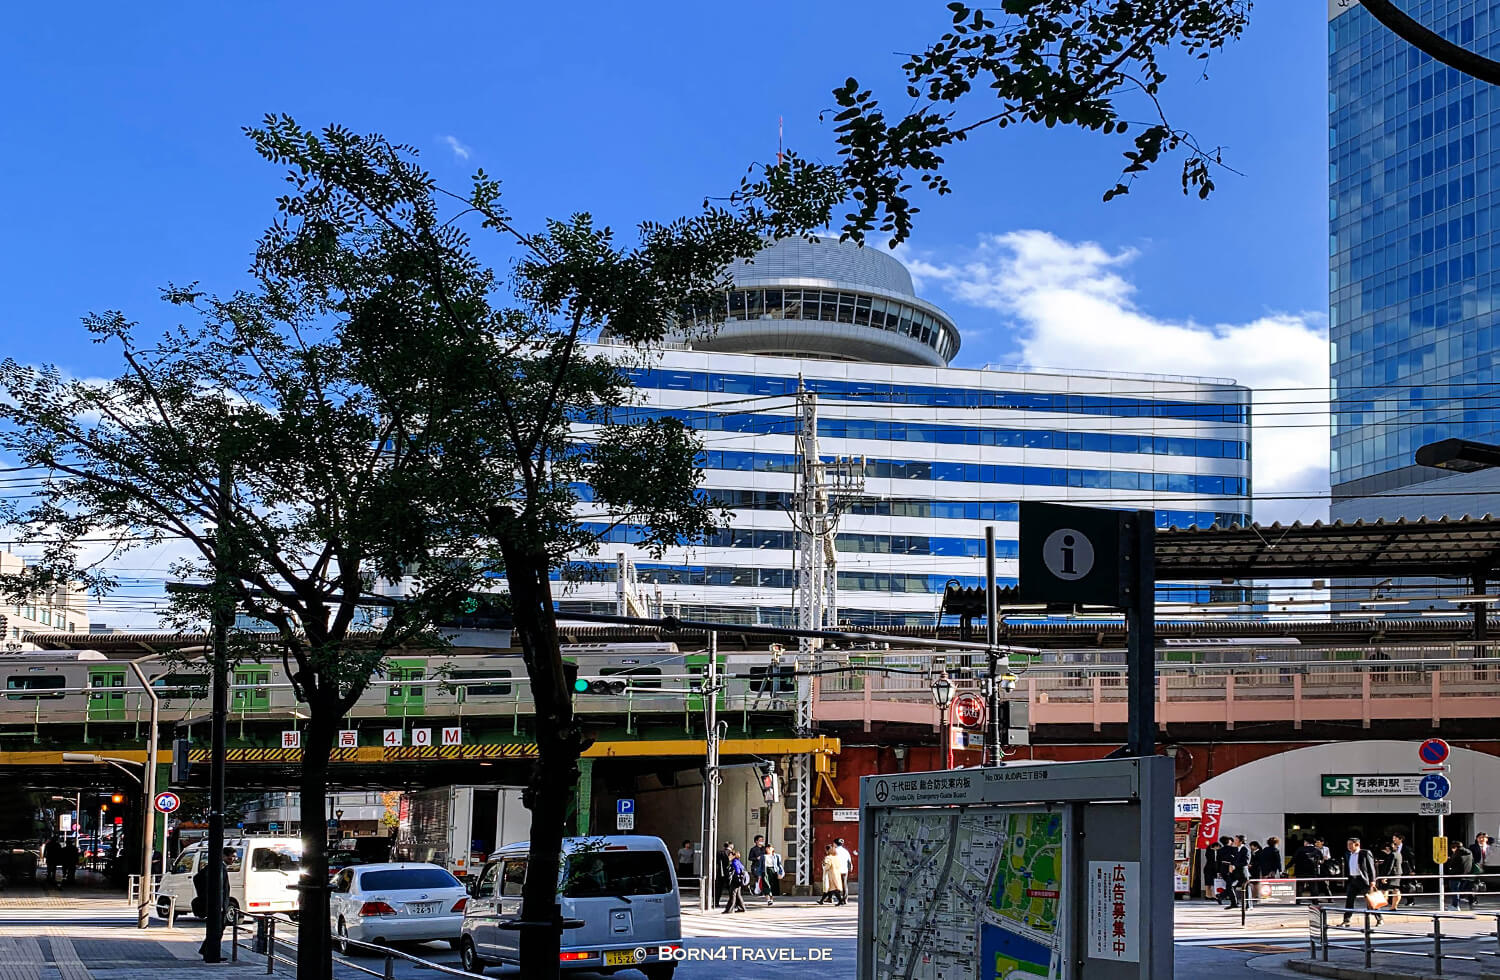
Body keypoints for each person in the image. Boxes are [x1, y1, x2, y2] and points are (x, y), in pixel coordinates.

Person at [1339, 837, 1380, 927]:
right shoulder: (1348, 854)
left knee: (1370, 900)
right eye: (1348, 844)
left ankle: (1379, 918)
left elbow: (1371, 867)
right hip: (1353, 879)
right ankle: (1347, 920)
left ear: (1357, 844)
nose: (1348, 846)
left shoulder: (1364, 853)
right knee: (1349, 900)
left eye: (1350, 844)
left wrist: (1372, 880)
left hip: (1363, 880)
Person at [1221, 836, 1250, 910]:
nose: (1234, 841)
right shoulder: (1236, 849)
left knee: (1246, 888)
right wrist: (1231, 865)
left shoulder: (1246, 850)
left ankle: (1249, 905)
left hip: (1243, 872)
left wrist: (1235, 866)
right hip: (1234, 872)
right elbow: (1233, 859)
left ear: (1241, 841)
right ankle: (1233, 903)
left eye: (1236, 840)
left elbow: (1246, 862)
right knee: (1229, 885)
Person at [1375, 841, 1402, 912]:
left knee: (1385, 889)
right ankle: (1394, 906)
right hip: (1398, 873)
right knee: (1396, 890)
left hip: (1391, 874)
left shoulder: (1392, 855)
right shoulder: (1398, 854)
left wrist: (1385, 876)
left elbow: (1390, 866)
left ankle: (1380, 905)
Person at [1448, 840, 1475, 910]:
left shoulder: (1457, 854)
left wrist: (1449, 859)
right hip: (1466, 874)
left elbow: (1452, 865)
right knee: (1462, 890)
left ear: (1455, 847)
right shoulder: (1469, 852)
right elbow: (1472, 861)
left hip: (1456, 875)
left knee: (1455, 890)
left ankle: (1455, 905)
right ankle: (1463, 903)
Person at [721, 848, 746, 914]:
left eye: (730, 855)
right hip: (739, 880)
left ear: (733, 855)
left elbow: (737, 871)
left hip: (735, 880)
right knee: (737, 895)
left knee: (732, 895)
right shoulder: (738, 861)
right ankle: (741, 908)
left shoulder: (734, 862)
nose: (729, 857)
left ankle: (729, 909)